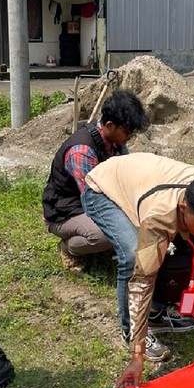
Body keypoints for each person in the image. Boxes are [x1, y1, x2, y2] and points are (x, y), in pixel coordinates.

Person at [82, 153, 194, 388]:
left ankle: (157, 311)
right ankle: (130, 333)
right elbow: (142, 283)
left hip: (140, 182)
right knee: (134, 255)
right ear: (184, 207)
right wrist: (137, 356)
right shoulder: (159, 217)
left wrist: (193, 234)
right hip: (103, 189)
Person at [42, 90, 147, 271]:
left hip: (91, 202)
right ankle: (70, 248)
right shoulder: (81, 151)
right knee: (107, 234)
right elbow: (95, 199)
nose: (129, 137)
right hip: (66, 211)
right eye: (127, 132)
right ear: (109, 125)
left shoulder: (116, 143)